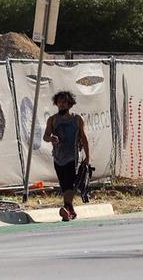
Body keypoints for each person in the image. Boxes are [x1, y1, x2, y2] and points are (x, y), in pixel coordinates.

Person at [42, 91, 90, 221]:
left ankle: (67, 209)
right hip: (58, 158)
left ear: (70, 104)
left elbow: (84, 138)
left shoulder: (77, 119)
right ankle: (70, 210)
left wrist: (87, 157)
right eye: (59, 102)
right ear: (56, 104)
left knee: (70, 184)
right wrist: (51, 138)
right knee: (64, 186)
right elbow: (45, 136)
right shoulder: (52, 120)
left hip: (73, 157)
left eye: (64, 102)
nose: (61, 105)